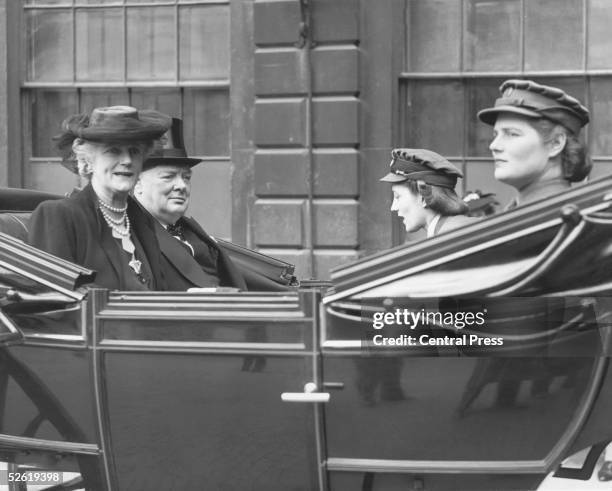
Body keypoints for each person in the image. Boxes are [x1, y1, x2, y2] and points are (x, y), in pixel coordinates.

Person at [28, 105, 171, 290]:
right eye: (113, 151)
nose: (127, 160)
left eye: (134, 151)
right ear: (88, 161)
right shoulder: (58, 216)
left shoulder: (141, 221)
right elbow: (54, 304)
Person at [133, 118, 247, 291]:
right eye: (168, 177)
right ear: (137, 184)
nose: (181, 186)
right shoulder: (130, 238)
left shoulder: (192, 231)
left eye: (186, 177)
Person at [478, 79, 591, 210]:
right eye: (495, 135)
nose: (494, 146)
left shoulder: (554, 216)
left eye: (512, 134)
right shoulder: (521, 211)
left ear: (556, 143)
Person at [380, 148, 475, 238]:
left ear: (424, 195)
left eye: (397, 197)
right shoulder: (448, 231)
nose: (393, 207)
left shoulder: (450, 237)